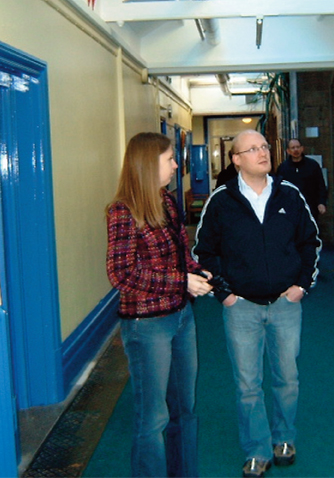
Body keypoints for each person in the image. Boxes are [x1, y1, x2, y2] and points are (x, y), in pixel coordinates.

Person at [193, 129, 321, 478]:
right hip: (242, 308)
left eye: (264, 146)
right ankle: (257, 448)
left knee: (287, 377)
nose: (262, 153)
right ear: (236, 160)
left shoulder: (290, 195)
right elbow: (204, 252)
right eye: (252, 149)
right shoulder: (220, 202)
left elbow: (310, 242)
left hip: (285, 304)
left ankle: (283, 438)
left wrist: (301, 285)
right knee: (247, 383)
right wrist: (225, 293)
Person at [106, 132, 214, 478]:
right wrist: (181, 282)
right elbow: (122, 274)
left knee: (185, 409)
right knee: (153, 417)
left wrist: (197, 273)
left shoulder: (166, 202)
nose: (176, 164)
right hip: (146, 325)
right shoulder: (122, 212)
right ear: (147, 164)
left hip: (181, 317)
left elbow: (181, 254)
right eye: (169, 159)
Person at [276, 138, 328, 221]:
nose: (296, 150)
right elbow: (279, 188)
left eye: (297, 147)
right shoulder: (283, 168)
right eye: (293, 148)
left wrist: (321, 202)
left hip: (310, 206)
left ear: (302, 148)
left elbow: (320, 185)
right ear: (288, 151)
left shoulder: (312, 165)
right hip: (290, 207)